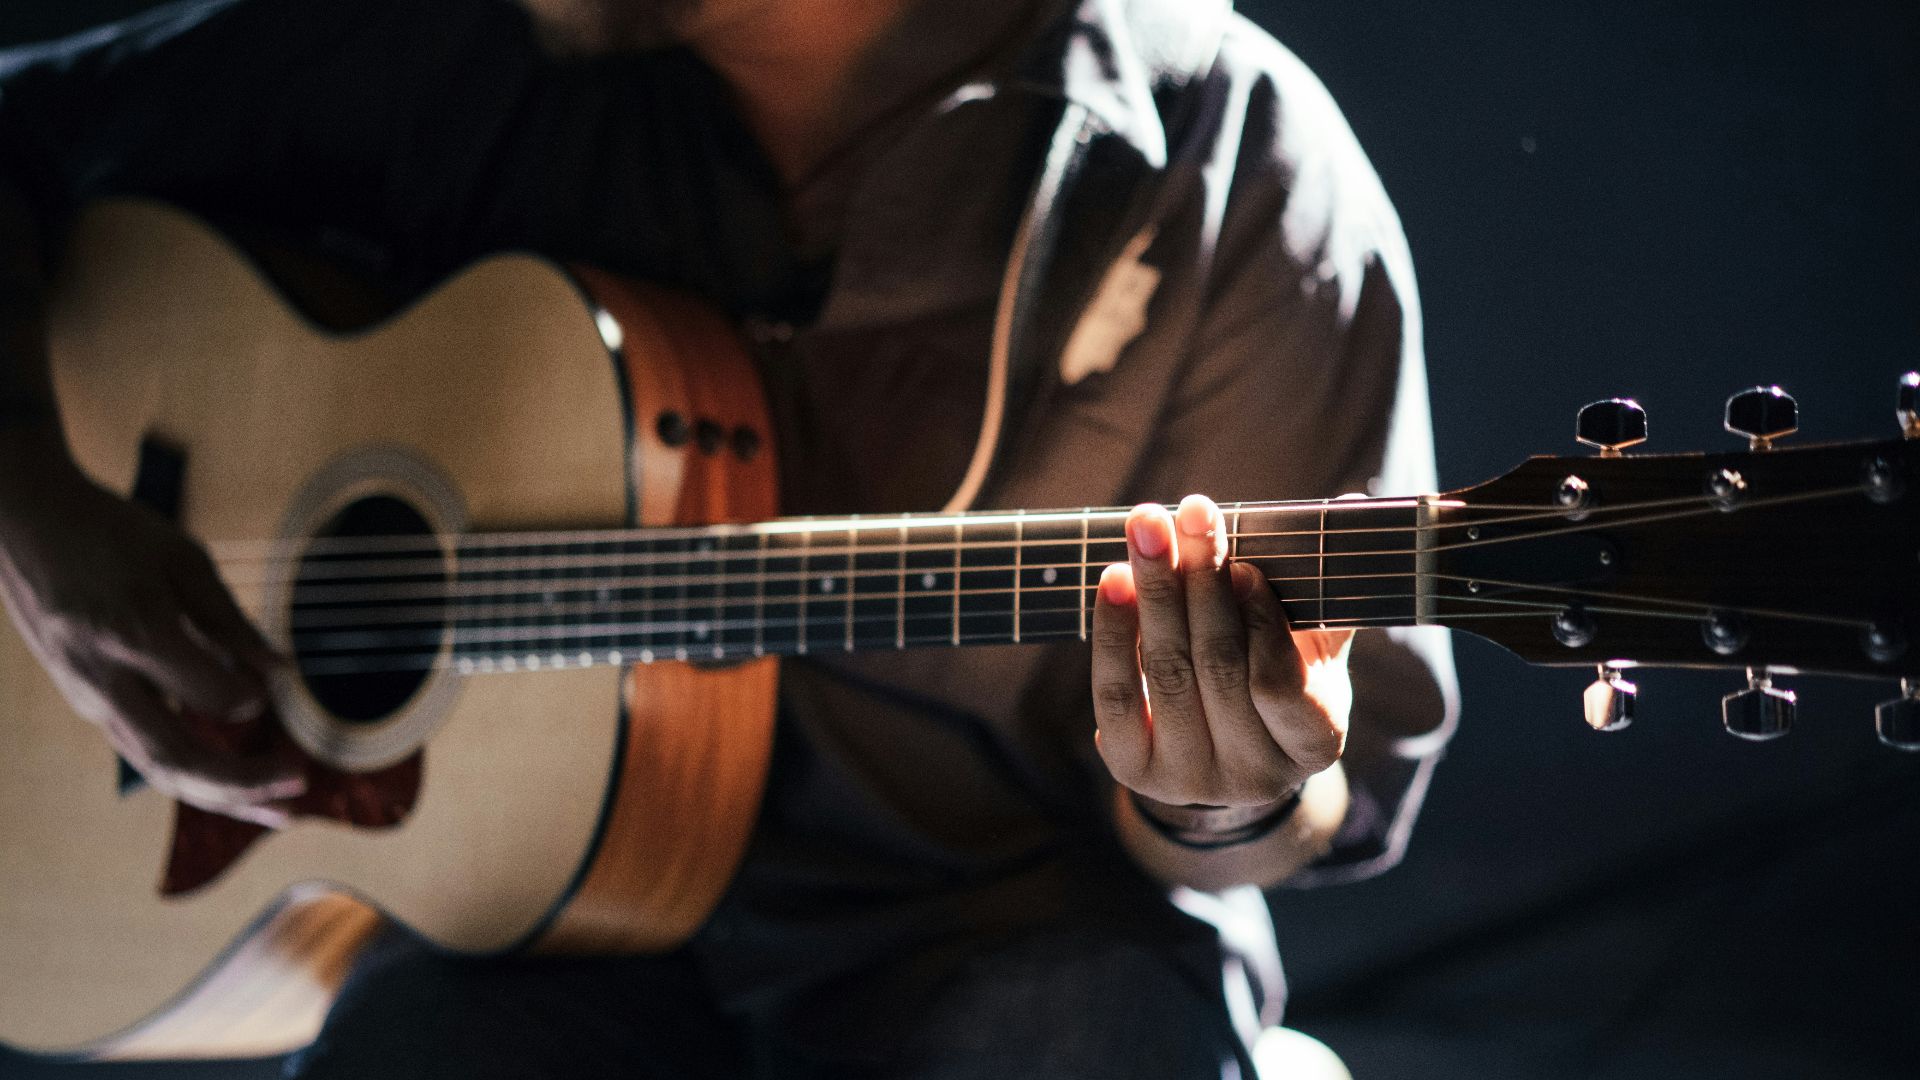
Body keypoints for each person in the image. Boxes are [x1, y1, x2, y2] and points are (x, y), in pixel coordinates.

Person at [0, 0, 1457, 1075]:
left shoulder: (1233, 162)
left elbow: (1302, 811)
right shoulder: (464, 55)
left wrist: (1225, 789)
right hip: (536, 942)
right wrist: (40, 514)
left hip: (1006, 929)